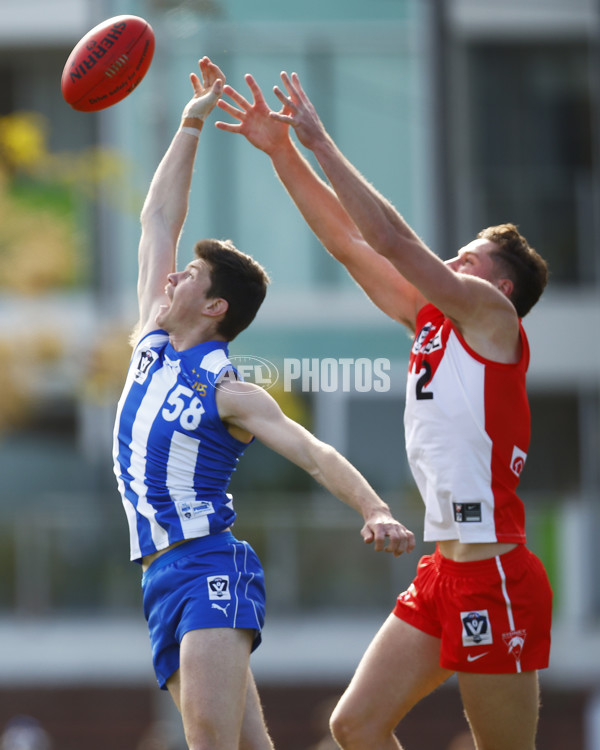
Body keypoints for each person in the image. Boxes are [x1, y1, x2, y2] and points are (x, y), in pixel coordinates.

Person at [215, 72, 553, 750]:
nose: (454, 259)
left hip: (495, 575)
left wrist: (321, 141)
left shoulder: (493, 318)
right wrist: (283, 151)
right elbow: (351, 243)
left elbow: (394, 240)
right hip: (443, 569)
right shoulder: (432, 322)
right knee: (356, 726)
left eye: (471, 256)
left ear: (503, 285)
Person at [112, 57, 415, 750]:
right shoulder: (150, 339)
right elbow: (158, 214)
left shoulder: (228, 390)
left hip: (208, 565)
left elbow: (311, 451)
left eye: (192, 271)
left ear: (215, 306)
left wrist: (374, 509)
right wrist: (190, 121)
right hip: (161, 575)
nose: (175, 270)